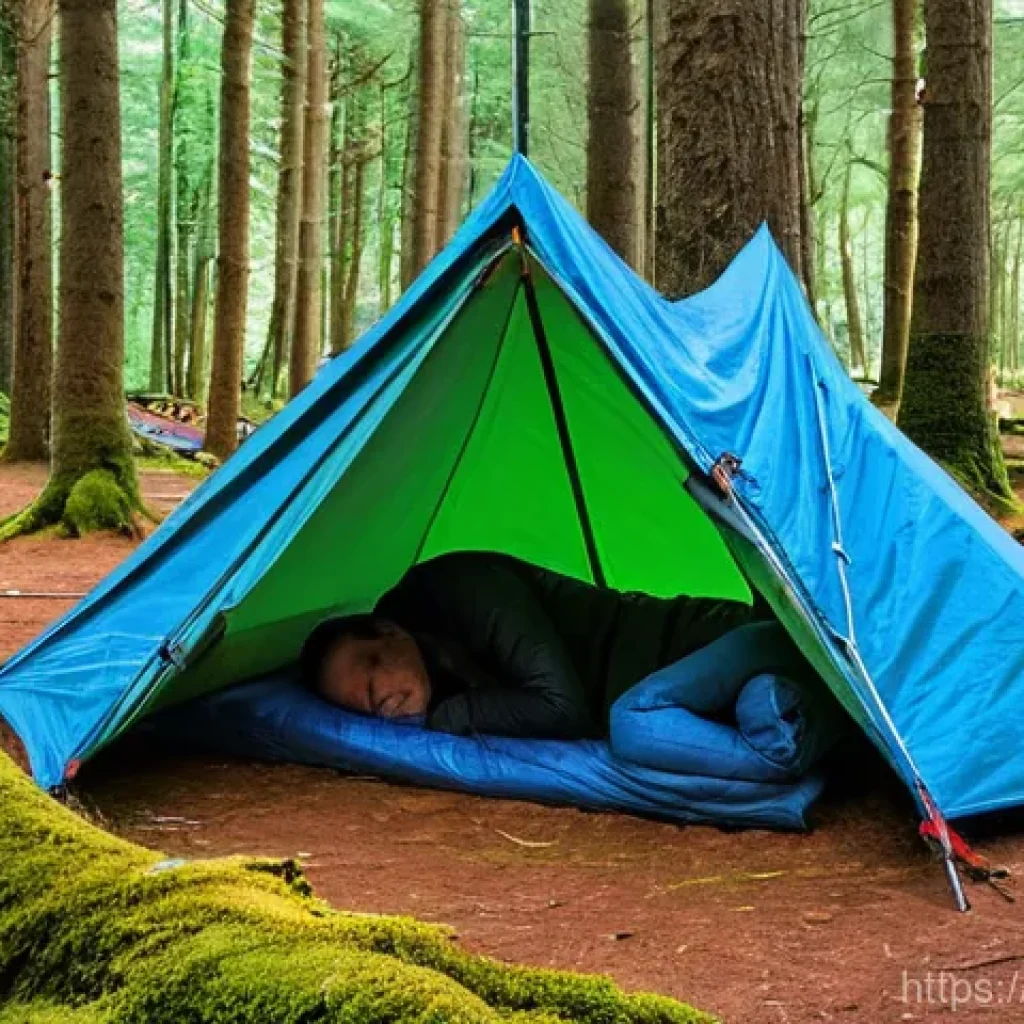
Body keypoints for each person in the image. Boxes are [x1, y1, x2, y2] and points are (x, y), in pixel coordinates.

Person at [299, 551, 768, 740]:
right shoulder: (434, 667)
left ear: (389, 632)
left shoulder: (466, 590)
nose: (376, 698)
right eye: (358, 704)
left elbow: (561, 707)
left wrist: (450, 716)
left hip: (703, 643)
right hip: (690, 695)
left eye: (372, 669)